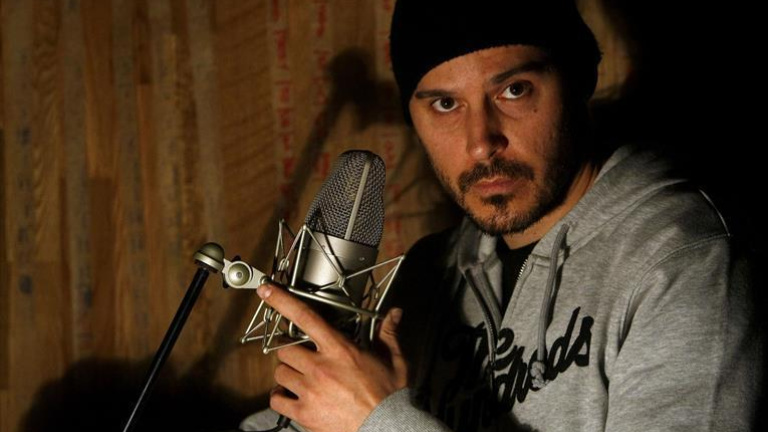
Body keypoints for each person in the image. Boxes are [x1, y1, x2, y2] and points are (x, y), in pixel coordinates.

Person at [241, 1, 762, 431]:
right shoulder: (430, 275)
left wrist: (379, 422)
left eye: (514, 90)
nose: (480, 143)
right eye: (445, 105)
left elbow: (375, 418)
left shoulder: (684, 261)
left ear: (579, 80)